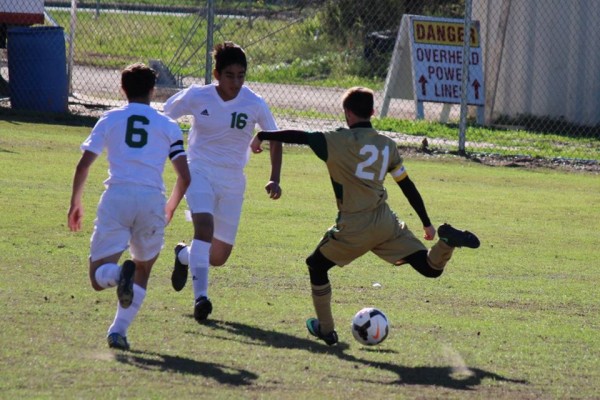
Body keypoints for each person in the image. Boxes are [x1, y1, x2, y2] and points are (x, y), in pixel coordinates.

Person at [250, 86, 480, 346]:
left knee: (316, 265)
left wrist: (264, 134)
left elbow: (299, 136)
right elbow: (407, 185)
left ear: (347, 113)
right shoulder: (387, 145)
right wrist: (426, 221)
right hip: (386, 222)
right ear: (372, 112)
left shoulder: (334, 140)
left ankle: (326, 329)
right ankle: (446, 243)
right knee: (429, 268)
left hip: (354, 226)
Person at [68, 63, 191, 350]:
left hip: (117, 197)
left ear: (122, 89)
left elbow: (84, 165)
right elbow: (185, 176)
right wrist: (171, 207)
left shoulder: (110, 119)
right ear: (153, 90)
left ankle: (115, 275)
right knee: (142, 270)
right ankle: (118, 331)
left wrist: (75, 202)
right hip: (151, 201)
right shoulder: (168, 125)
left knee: (98, 277)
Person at [162, 41, 283, 323]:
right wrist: (168, 150)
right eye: (230, 75)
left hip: (232, 180)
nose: (236, 82)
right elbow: (164, 117)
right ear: (216, 74)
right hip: (198, 171)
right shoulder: (198, 96)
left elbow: (276, 137)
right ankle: (201, 299)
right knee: (203, 227)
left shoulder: (254, 102)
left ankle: (183, 256)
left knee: (218, 257)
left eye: (241, 75)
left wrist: (274, 177)